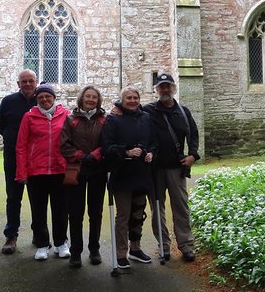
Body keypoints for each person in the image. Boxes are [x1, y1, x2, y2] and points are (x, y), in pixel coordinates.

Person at [143, 73, 200, 262]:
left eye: (168, 86)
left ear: (173, 88)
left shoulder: (183, 111)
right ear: (156, 90)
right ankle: (164, 245)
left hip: (177, 168)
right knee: (157, 208)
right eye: (161, 87)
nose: (165, 90)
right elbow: (130, 112)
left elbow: (193, 134)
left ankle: (186, 245)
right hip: (155, 169)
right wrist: (118, 108)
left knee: (181, 207)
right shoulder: (149, 110)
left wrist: (193, 155)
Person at [15, 82, 71, 261]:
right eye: (40, 97)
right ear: (36, 100)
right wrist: (21, 172)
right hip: (36, 172)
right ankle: (41, 244)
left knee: (61, 210)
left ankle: (61, 243)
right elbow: (21, 146)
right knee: (38, 210)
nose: (44, 99)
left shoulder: (66, 115)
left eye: (48, 96)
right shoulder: (29, 117)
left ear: (54, 98)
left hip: (59, 170)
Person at [102, 87, 155, 269]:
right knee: (123, 215)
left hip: (142, 174)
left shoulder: (146, 118)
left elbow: (152, 142)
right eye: (128, 98)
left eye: (135, 98)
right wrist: (126, 151)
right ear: (122, 100)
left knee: (138, 213)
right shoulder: (113, 119)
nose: (132, 101)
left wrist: (151, 153)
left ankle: (136, 248)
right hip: (122, 174)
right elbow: (106, 147)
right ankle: (121, 252)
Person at [60, 86, 106, 268]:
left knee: (95, 212)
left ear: (98, 100)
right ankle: (76, 251)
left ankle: (94, 249)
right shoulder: (70, 120)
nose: (91, 100)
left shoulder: (104, 120)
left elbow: (108, 142)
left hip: (98, 171)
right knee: (75, 213)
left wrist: (95, 155)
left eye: (94, 97)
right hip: (76, 170)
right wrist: (81, 156)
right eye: (87, 96)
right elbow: (64, 145)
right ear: (82, 98)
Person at [0, 69, 38, 254]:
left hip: (37, 157)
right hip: (13, 156)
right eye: (24, 81)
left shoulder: (43, 99)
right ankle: (11, 235)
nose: (27, 84)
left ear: (36, 82)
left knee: (38, 197)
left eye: (31, 81)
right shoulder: (8, 101)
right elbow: (2, 125)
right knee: (13, 196)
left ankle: (40, 233)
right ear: (18, 84)